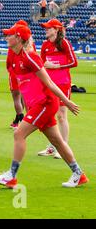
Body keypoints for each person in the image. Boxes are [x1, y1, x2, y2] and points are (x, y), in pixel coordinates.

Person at [0, 23, 88, 189]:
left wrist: (67, 101)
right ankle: (78, 174)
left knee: (18, 133)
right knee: (57, 141)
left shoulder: (30, 57)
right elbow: (27, 87)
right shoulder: (15, 56)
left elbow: (49, 82)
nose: (6, 37)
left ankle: (11, 176)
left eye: (10, 35)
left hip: (45, 103)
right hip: (38, 104)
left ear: (18, 38)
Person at [37, 19, 78, 159]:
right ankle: (52, 146)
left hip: (63, 83)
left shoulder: (64, 43)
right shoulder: (44, 45)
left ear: (56, 29)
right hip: (49, 83)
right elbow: (40, 63)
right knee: (50, 115)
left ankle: (63, 147)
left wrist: (57, 66)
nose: (46, 30)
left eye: (48, 28)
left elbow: (74, 62)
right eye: (46, 28)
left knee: (61, 115)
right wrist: (45, 64)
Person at [6, 20, 29, 128]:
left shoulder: (13, 45)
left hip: (15, 72)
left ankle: (22, 120)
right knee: (24, 97)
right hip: (25, 74)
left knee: (16, 98)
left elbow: (8, 62)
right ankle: (22, 119)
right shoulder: (29, 44)